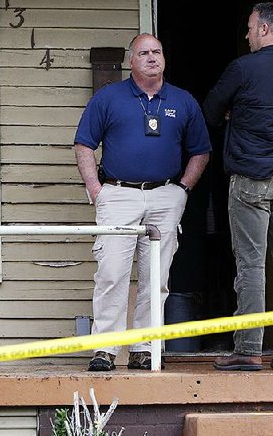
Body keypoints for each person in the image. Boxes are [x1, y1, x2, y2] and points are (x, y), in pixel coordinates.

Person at [74, 33, 211, 371]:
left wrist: (182, 189)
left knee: (157, 277)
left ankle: (144, 348)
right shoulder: (109, 98)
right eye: (144, 53)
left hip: (166, 195)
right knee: (112, 272)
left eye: (158, 52)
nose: (152, 58)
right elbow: (84, 144)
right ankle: (105, 349)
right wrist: (95, 188)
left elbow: (200, 151)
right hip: (118, 193)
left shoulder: (183, 100)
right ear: (131, 61)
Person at [203, 2, 273, 371]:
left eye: (250, 28)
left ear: (265, 29)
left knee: (251, 266)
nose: (247, 34)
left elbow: (210, 112)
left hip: (250, 180)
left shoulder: (243, 68)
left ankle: (249, 349)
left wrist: (237, 112)